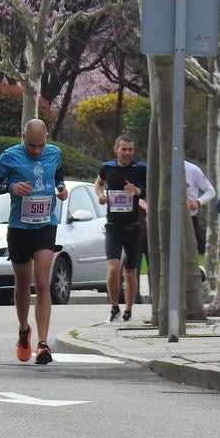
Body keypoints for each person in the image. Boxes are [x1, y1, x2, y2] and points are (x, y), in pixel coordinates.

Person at [0, 119, 69, 365]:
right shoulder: (9, 156)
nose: (36, 151)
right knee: (23, 282)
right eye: (31, 146)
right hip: (20, 228)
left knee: (42, 281)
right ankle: (23, 330)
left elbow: (59, 175)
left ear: (47, 138)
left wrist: (61, 188)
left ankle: (43, 343)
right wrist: (10, 186)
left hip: (45, 226)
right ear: (23, 137)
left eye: (40, 146)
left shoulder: (55, 153)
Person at [95, 134, 147, 323]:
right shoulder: (107, 167)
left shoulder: (140, 169)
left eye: (130, 149)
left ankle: (128, 311)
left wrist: (138, 191)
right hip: (113, 226)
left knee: (130, 272)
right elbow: (98, 183)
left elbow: (149, 189)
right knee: (114, 267)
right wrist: (101, 195)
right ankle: (114, 307)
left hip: (133, 227)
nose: (127, 153)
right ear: (116, 149)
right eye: (123, 149)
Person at [184, 159, 216, 255]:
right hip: (166, 218)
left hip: (188, 219)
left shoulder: (192, 169)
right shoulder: (159, 168)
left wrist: (198, 202)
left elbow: (211, 191)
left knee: (189, 254)